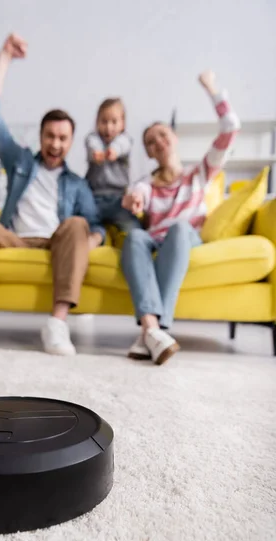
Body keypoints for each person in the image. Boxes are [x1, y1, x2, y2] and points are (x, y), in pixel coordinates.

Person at [0, 33, 105, 355]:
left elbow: (96, 225)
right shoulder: (18, 161)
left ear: (71, 141)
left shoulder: (77, 184)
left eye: (63, 138)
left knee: (76, 223)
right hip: (13, 236)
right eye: (50, 136)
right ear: (41, 136)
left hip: (54, 241)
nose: (56, 144)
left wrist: (89, 241)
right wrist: (5, 56)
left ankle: (57, 325)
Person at [121, 70, 241, 365]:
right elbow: (136, 196)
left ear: (174, 137)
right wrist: (133, 199)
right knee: (135, 236)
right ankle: (153, 330)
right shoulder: (145, 183)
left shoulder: (199, 173)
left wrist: (212, 88)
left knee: (178, 227)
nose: (158, 142)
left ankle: (152, 330)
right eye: (151, 141)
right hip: (155, 240)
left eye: (162, 134)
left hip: (183, 237)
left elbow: (230, 127)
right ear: (148, 152)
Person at [85, 98, 140, 232]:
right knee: (85, 223)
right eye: (104, 121)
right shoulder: (93, 139)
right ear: (97, 123)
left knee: (134, 229)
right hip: (94, 198)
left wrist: (114, 150)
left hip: (118, 199)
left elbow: (122, 145)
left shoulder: (124, 140)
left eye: (114, 122)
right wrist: (97, 153)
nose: (109, 127)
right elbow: (92, 144)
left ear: (123, 124)